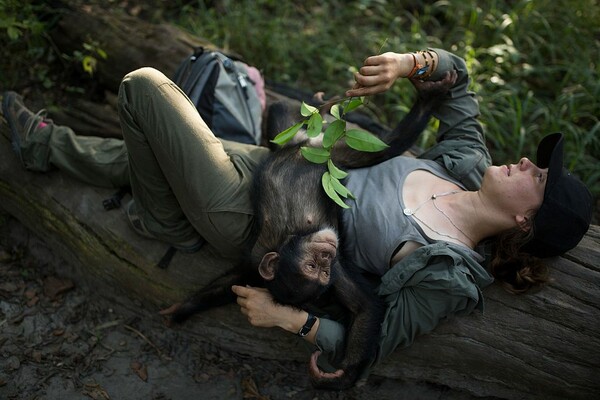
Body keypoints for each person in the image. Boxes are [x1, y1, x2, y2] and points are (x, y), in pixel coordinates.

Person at [2, 48, 593, 380]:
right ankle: (43, 147)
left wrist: (290, 321)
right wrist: (410, 64)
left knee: (144, 88)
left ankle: (162, 221)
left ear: (525, 224)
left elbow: (373, 335)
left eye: (538, 178)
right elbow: (457, 81)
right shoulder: (465, 165)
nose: (523, 161)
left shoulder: (448, 272)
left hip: (258, 223)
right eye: (537, 163)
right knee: (161, 144)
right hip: (277, 167)